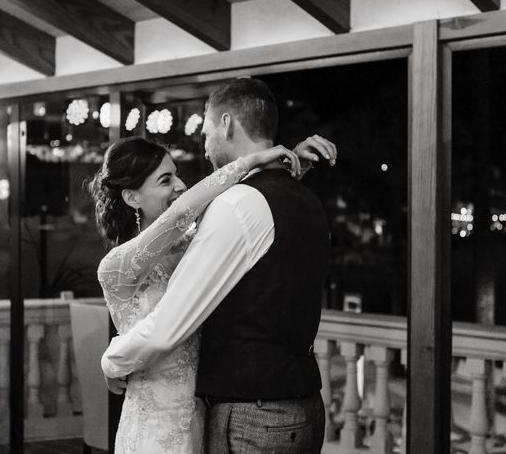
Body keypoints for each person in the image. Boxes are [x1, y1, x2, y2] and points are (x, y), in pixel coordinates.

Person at [99, 77, 336, 454]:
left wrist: (113, 359)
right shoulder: (116, 265)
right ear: (130, 196)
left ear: (226, 124)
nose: (180, 185)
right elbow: (188, 214)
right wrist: (262, 163)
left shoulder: (222, 218)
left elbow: (166, 328)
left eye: (206, 132)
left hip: (222, 416)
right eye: (166, 179)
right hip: (161, 424)